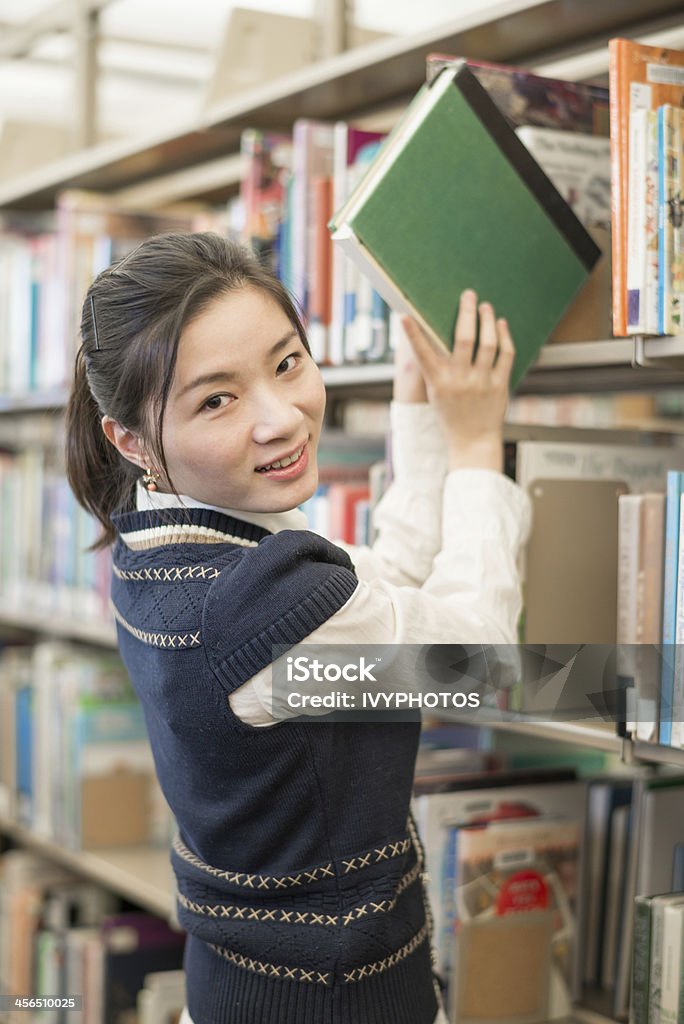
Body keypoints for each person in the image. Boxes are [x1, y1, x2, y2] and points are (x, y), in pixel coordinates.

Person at [65, 232, 531, 1024]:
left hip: (241, 985)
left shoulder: (164, 545)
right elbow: (478, 659)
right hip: (331, 1001)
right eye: (218, 399)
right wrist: (479, 444)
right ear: (132, 439)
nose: (281, 419)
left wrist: (418, 409)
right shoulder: (263, 609)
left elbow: (376, 595)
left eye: (287, 364)